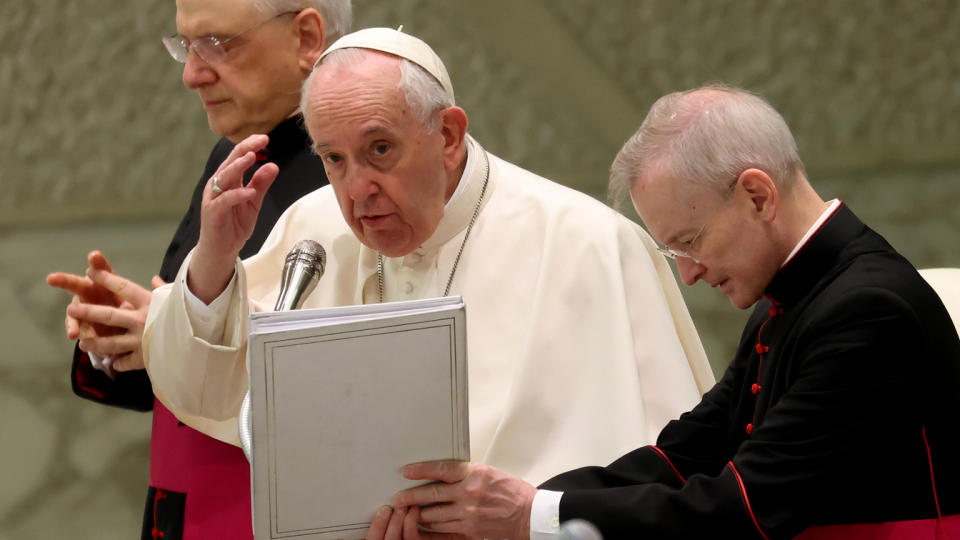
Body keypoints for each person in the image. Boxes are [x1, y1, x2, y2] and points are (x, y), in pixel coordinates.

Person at [141, 26, 715, 498]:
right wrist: (215, 257)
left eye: (380, 150)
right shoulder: (313, 232)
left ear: (447, 135)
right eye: (333, 159)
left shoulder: (591, 244)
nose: (356, 189)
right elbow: (209, 386)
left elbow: (668, 475)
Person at [378, 84, 960, 539]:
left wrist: (532, 517)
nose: (689, 272)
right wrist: (500, 515)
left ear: (757, 195)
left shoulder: (868, 310)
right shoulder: (791, 298)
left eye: (691, 240)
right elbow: (683, 455)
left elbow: (747, 508)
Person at [45, 1, 351, 538]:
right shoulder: (234, 154)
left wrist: (173, 330)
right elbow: (174, 375)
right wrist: (122, 339)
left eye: (218, 44)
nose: (192, 74)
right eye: (185, 46)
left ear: (306, 37)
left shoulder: (355, 180)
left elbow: (356, 388)